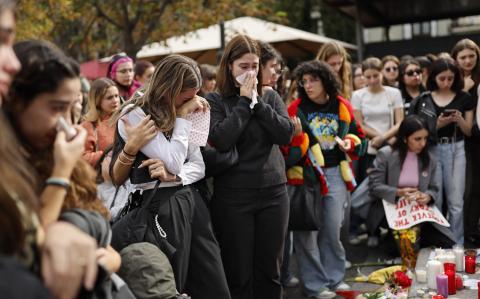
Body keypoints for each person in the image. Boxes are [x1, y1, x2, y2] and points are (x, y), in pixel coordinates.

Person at [110, 54, 231, 299]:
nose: (192, 101)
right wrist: (184, 117)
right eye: (185, 97)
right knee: (172, 284)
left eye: (193, 95)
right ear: (167, 88)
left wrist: (174, 177)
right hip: (159, 206)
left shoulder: (190, 106)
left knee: (213, 282)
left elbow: (198, 166)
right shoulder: (135, 113)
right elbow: (174, 161)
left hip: (190, 201)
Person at [206, 34, 294, 299]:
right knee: (239, 272)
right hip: (234, 196)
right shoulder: (216, 100)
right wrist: (244, 102)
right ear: (229, 67)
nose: (250, 72)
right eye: (243, 66)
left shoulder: (270, 97)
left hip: (274, 192)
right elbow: (221, 139)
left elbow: (285, 134)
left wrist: (258, 103)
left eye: (254, 66)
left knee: (270, 271)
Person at [284, 60, 366, 299]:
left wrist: (350, 142)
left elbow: (358, 136)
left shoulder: (342, 106)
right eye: (304, 81)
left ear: (326, 80)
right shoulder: (295, 109)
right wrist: (297, 138)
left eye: (313, 80)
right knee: (307, 232)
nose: (308, 85)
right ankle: (315, 285)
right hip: (307, 175)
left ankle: (334, 277)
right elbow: (287, 148)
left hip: (335, 173)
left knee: (332, 228)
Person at [368, 115, 455, 256]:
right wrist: (399, 192)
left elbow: (434, 188)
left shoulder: (430, 158)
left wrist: (427, 196)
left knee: (447, 243)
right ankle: (387, 240)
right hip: (391, 209)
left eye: (425, 138)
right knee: (403, 246)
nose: (423, 144)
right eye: (417, 139)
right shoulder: (386, 154)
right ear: (404, 138)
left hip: (418, 211)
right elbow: (374, 186)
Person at [409, 58, 475, 244]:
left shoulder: (464, 97)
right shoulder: (425, 99)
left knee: (456, 201)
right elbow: (418, 130)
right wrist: (437, 124)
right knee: (434, 198)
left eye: (451, 78)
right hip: (433, 148)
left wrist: (459, 119)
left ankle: (457, 244)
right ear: (433, 78)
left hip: (457, 147)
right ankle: (437, 243)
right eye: (442, 78)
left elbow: (468, 130)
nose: (447, 82)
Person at [351, 57, 404, 247]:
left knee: (388, 191)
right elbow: (359, 123)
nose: (372, 80)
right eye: (368, 77)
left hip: (390, 148)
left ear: (382, 73)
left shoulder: (393, 93)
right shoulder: (358, 95)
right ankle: (371, 229)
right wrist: (381, 137)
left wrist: (386, 138)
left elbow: (400, 121)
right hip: (370, 149)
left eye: (376, 75)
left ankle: (387, 231)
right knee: (370, 193)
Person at [451, 39, 480, 244]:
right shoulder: (450, 78)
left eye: (471, 56)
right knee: (465, 189)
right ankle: (465, 231)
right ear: (455, 59)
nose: (468, 60)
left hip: (476, 136)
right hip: (459, 139)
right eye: (463, 57)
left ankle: (472, 229)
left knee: (476, 187)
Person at [81, 77, 120, 166]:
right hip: (103, 176)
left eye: (117, 96)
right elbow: (82, 158)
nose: (115, 100)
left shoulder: (124, 118)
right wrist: (108, 155)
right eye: (109, 97)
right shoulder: (88, 125)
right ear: (97, 101)